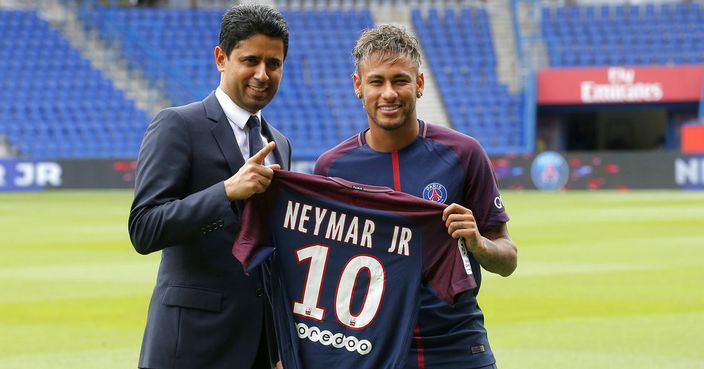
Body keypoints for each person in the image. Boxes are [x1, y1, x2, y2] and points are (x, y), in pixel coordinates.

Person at [314, 24, 518, 369]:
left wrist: (479, 242)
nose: (389, 93)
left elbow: (508, 258)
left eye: (400, 80)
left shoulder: (464, 153)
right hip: (372, 351)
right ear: (358, 87)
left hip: (458, 347)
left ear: (419, 84)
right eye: (377, 81)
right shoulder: (332, 169)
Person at [128, 4, 291, 369]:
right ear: (221, 58)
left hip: (259, 348)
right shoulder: (177, 125)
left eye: (274, 63)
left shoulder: (279, 142)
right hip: (191, 346)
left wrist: (279, 344)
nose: (262, 74)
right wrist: (226, 192)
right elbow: (144, 227)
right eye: (250, 60)